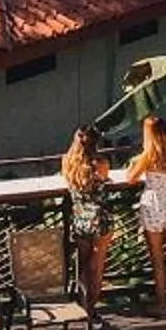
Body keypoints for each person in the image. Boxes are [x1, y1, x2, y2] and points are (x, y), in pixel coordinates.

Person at [126, 113, 166, 315]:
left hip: (153, 205)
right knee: (165, 252)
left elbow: (131, 179)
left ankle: (161, 302)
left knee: (156, 256)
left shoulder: (148, 156)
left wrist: (134, 163)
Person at [59, 128, 111, 315]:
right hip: (99, 219)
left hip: (80, 218)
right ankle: (91, 309)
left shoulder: (68, 162)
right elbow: (104, 179)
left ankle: (82, 304)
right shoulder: (101, 163)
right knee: (96, 267)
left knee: (83, 264)